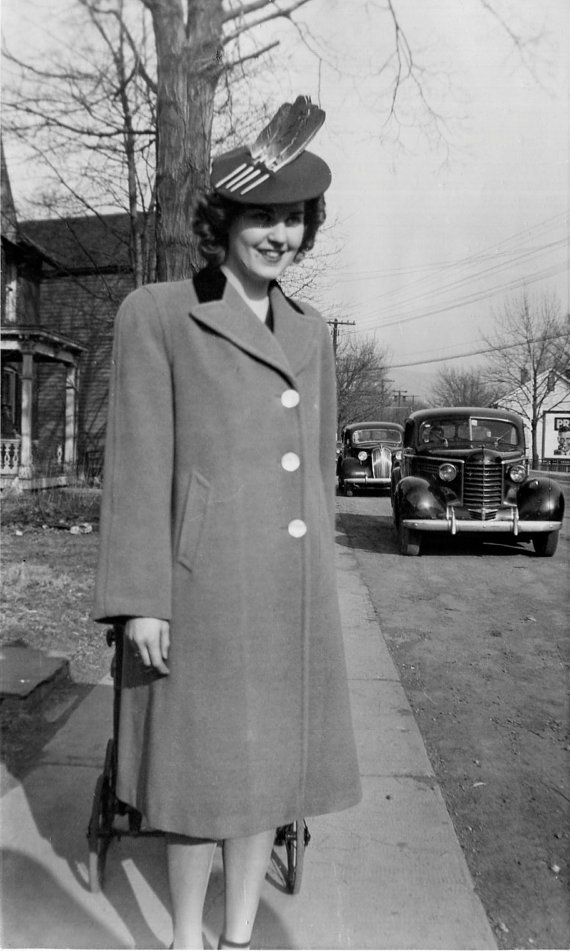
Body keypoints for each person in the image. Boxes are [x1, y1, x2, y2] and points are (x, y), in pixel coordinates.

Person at [93, 99, 361, 950]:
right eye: (262, 217)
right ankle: (183, 938)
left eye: (293, 219)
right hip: (198, 589)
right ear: (225, 222)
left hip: (284, 592)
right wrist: (141, 597)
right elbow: (135, 465)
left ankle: (239, 934)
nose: (279, 235)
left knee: (265, 778)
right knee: (200, 777)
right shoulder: (158, 313)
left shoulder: (312, 333)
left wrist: (319, 576)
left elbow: (316, 469)